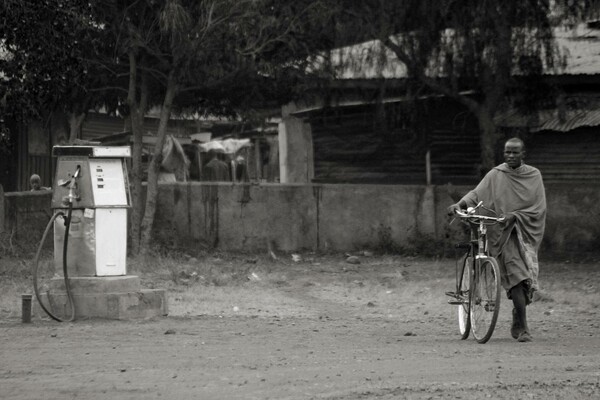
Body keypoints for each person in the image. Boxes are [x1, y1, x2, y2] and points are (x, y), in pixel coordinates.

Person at [447, 137, 546, 343]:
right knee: (518, 277)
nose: (510, 156)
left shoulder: (534, 175)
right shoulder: (496, 174)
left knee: (525, 282)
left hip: (521, 232)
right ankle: (525, 328)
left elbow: (538, 207)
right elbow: (476, 194)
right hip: (500, 232)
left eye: (514, 152)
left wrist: (515, 215)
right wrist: (460, 204)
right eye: (507, 152)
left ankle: (518, 318)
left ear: (523, 154)